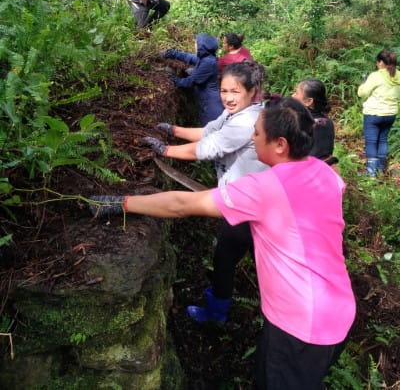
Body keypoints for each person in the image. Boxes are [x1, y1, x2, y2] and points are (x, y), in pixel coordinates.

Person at [89, 98, 356, 390]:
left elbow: (182, 204)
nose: (252, 139)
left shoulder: (265, 188)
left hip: (300, 323)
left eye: (257, 133)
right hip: (338, 309)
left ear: (280, 144)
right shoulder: (325, 174)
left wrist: (122, 203)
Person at [142, 61, 268, 322]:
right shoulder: (235, 113)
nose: (228, 98)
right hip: (241, 197)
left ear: (253, 91)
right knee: (239, 257)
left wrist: (166, 150)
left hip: (249, 206)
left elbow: (209, 148)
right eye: (224, 91)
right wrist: (174, 131)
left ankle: (218, 314)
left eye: (235, 92)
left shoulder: (248, 121)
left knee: (227, 259)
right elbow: (209, 132)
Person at [160, 33, 224, 126]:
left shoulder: (208, 62)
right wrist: (171, 53)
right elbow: (188, 57)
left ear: (202, 46)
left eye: (196, 43)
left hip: (210, 106)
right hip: (206, 102)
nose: (195, 45)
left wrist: (173, 80)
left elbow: (191, 82)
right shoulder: (206, 58)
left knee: (209, 133)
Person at [357, 49, 400, 176]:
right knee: (383, 140)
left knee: (371, 141)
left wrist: (363, 84)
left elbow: (362, 93)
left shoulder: (376, 76)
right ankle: (380, 169)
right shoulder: (398, 75)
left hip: (373, 113)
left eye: (377, 61)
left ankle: (371, 173)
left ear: (381, 62)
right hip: (390, 114)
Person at [292, 78, 338, 166]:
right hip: (325, 171)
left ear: (309, 101)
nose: (293, 96)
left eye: (297, 93)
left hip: (308, 172)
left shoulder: (302, 123)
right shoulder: (327, 122)